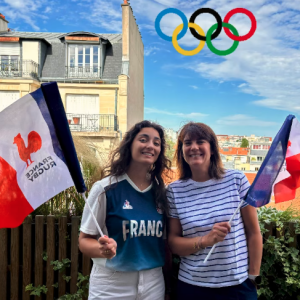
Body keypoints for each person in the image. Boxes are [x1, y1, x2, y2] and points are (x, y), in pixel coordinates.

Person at [167, 122, 263, 300]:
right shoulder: (174, 191)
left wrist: (253, 276)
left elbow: (254, 232)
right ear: (181, 150)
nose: (194, 147)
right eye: (187, 143)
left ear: (212, 149)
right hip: (192, 287)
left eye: (200, 141)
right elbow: (173, 243)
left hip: (238, 287)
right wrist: (205, 240)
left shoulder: (237, 180)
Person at [78, 120, 172, 300]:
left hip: (154, 281)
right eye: (143, 139)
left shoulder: (162, 192)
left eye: (156, 142)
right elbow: (84, 241)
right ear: (130, 144)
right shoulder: (105, 188)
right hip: (112, 283)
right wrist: (102, 249)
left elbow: (166, 244)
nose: (150, 146)